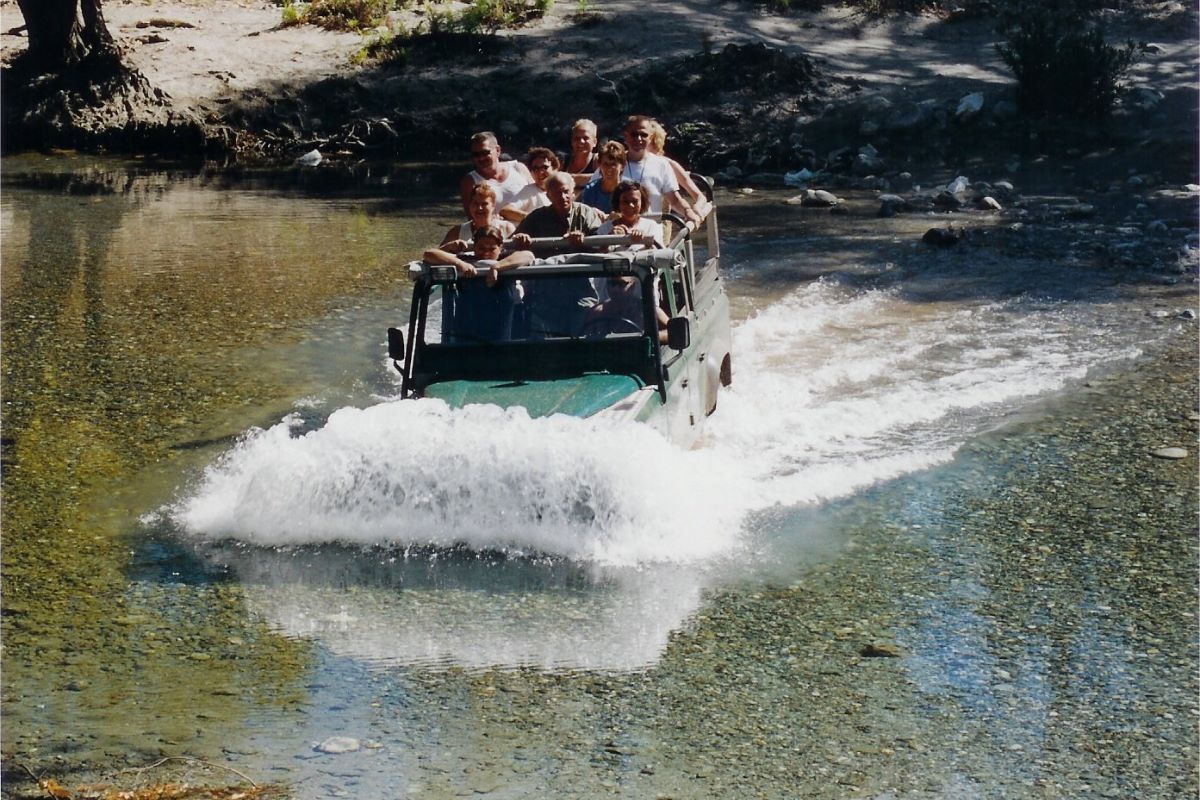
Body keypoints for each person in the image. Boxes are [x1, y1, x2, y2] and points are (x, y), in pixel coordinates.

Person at [621, 115, 701, 227]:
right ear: (626, 136)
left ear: (650, 137)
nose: (638, 139)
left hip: (650, 234)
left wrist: (688, 211)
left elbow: (674, 200)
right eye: (634, 134)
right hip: (619, 234)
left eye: (643, 135)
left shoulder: (661, 164)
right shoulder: (613, 163)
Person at [508, 170, 606, 250]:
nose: (563, 197)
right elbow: (511, 243)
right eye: (557, 193)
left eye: (566, 192)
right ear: (548, 196)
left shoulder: (586, 212)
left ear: (573, 194)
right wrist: (520, 238)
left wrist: (583, 237)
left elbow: (600, 240)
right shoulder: (536, 217)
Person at [459, 131, 534, 223]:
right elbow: (472, 221)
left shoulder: (518, 168)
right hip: (500, 234)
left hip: (533, 229)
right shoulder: (470, 182)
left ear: (498, 150)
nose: (481, 158)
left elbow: (539, 195)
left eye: (485, 152)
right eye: (476, 154)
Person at [648, 119, 711, 221]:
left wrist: (696, 208)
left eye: (648, 139)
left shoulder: (668, 164)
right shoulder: (626, 161)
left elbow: (700, 196)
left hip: (661, 224)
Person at [584, 274, 669, 342]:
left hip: (640, 356)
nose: (615, 289)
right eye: (612, 283)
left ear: (632, 286)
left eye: (621, 284)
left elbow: (672, 331)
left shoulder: (646, 310)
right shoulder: (598, 313)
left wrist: (649, 337)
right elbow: (585, 337)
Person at [439, 182, 515, 253]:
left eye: (484, 204)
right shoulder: (458, 232)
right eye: (475, 203)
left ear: (493, 206)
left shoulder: (507, 228)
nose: (479, 208)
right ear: (470, 205)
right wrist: (448, 247)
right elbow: (435, 255)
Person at [596, 180, 664, 249]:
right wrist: (609, 239)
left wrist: (646, 240)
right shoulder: (605, 228)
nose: (630, 205)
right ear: (618, 203)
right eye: (625, 202)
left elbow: (661, 253)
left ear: (642, 203)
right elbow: (594, 256)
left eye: (635, 201)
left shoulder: (652, 227)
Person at [501, 147, 559, 222]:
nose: (540, 172)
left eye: (545, 167)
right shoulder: (530, 190)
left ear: (555, 168)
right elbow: (506, 210)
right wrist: (536, 219)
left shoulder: (563, 190)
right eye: (535, 168)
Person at [578, 140, 627, 214]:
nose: (609, 168)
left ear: (622, 166)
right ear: (600, 165)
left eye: (613, 164)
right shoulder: (590, 190)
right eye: (605, 164)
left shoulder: (628, 191)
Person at [563, 118, 599, 185]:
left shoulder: (597, 160)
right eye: (577, 138)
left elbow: (604, 178)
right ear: (572, 141)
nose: (581, 142)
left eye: (586, 138)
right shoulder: (563, 161)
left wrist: (566, 178)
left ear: (594, 142)